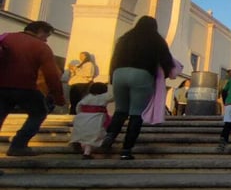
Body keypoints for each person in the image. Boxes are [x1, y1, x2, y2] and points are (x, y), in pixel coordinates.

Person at [102, 16, 175, 160]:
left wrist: (112, 77)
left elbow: (114, 58)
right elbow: (166, 59)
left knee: (120, 110)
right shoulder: (156, 40)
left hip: (119, 73)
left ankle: (109, 136)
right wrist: (163, 75)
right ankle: (126, 150)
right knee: (136, 114)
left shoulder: (124, 39)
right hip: (142, 74)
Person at [0, 21, 66, 156]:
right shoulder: (41, 47)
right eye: (46, 36)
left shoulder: (5, 37)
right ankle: (19, 145)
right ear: (40, 31)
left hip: (1, 86)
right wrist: (58, 97)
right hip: (25, 87)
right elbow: (52, 75)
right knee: (39, 112)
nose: (46, 40)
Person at [69, 82, 112, 158]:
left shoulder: (86, 98)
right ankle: (87, 153)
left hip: (81, 119)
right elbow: (113, 97)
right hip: (96, 120)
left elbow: (78, 108)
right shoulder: (103, 97)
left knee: (83, 136)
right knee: (91, 139)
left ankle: (80, 145)